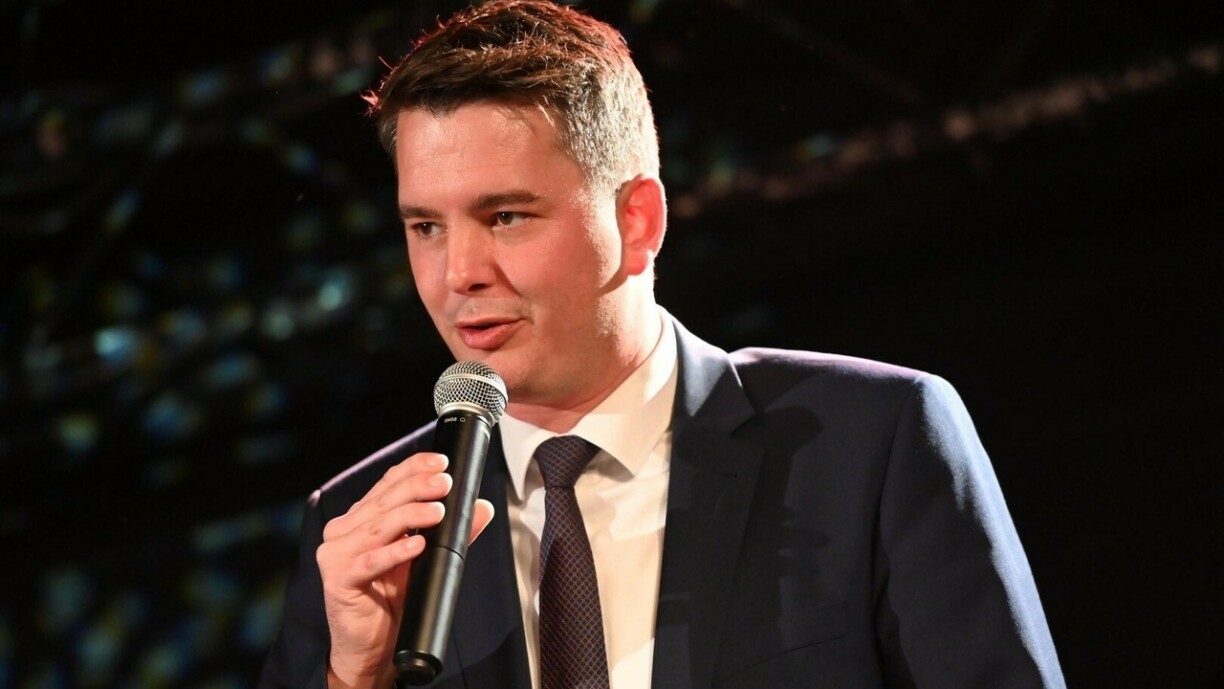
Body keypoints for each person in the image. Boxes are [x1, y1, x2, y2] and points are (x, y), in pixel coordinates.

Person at [259, 1, 1065, 688]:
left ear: (637, 221)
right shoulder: (363, 527)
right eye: (425, 227)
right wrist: (353, 676)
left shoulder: (868, 440)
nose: (458, 272)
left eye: (505, 216)